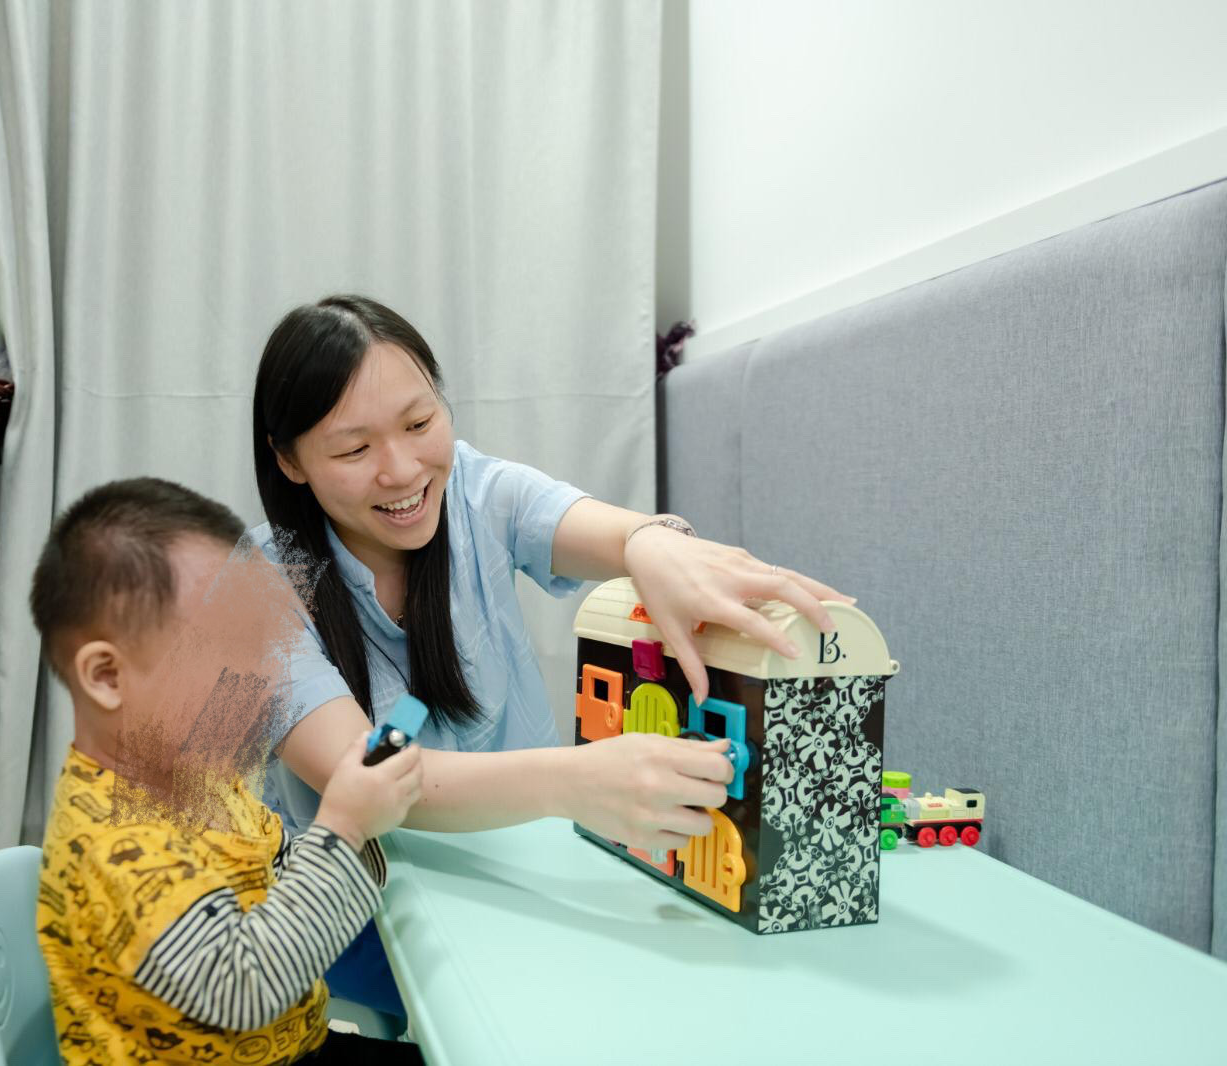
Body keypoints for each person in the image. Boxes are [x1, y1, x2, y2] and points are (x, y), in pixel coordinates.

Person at [249, 295, 853, 1017]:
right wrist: (574, 781)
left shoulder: (476, 492)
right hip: (358, 913)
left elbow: (604, 529)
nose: (403, 470)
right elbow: (366, 778)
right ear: (289, 459)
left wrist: (653, 541)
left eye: (420, 423)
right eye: (355, 450)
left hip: (520, 877)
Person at [30, 477, 426, 1065]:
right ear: (108, 677)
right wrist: (344, 826)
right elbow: (245, 988)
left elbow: (277, 879)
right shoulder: (118, 846)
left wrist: (357, 822)